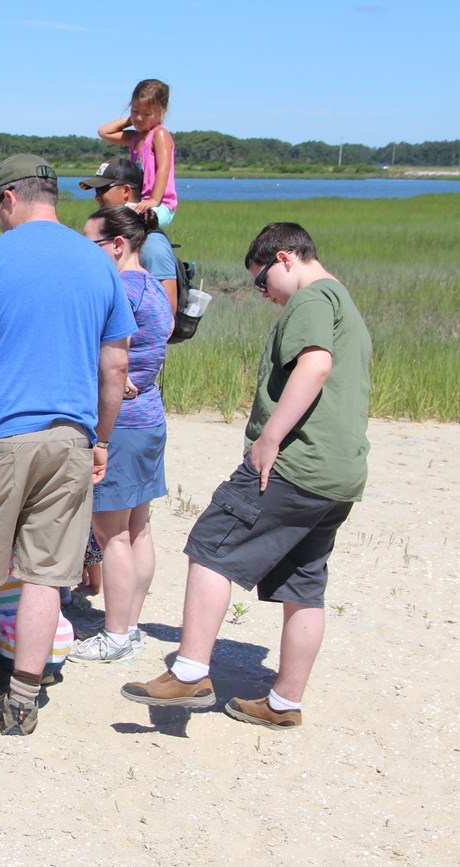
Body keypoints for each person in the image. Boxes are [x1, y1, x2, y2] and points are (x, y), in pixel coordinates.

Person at [122, 222, 372, 729]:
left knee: (211, 544)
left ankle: (190, 671)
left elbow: (316, 364)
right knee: (304, 585)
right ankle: (283, 703)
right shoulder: (346, 303)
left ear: (285, 259)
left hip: (296, 464)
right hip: (339, 474)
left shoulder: (312, 298)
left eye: (262, 283)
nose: (265, 296)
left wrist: (271, 437)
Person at [0, 154, 135, 736]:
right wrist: (101, 439)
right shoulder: (98, 267)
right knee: (47, 573)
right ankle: (22, 699)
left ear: (11, 197)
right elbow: (115, 366)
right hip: (71, 440)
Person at [69, 206, 174, 664]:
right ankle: (128, 624)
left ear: (116, 245)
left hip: (122, 423)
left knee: (111, 533)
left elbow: (112, 361)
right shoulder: (151, 284)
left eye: (89, 244)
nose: (83, 253)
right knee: (138, 528)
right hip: (149, 416)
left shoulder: (121, 290)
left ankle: (114, 634)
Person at [79, 157, 179, 313]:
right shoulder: (114, 233)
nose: (97, 197)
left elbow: (166, 315)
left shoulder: (152, 244)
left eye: (102, 189)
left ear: (126, 191)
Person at [99, 79, 178, 228]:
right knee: (110, 218)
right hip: (141, 201)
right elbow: (104, 132)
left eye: (146, 114)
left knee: (129, 224)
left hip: (161, 205)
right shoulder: (135, 137)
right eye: (134, 111)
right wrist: (131, 120)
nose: (139, 118)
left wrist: (154, 200)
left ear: (162, 112)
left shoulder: (159, 134)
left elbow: (163, 168)